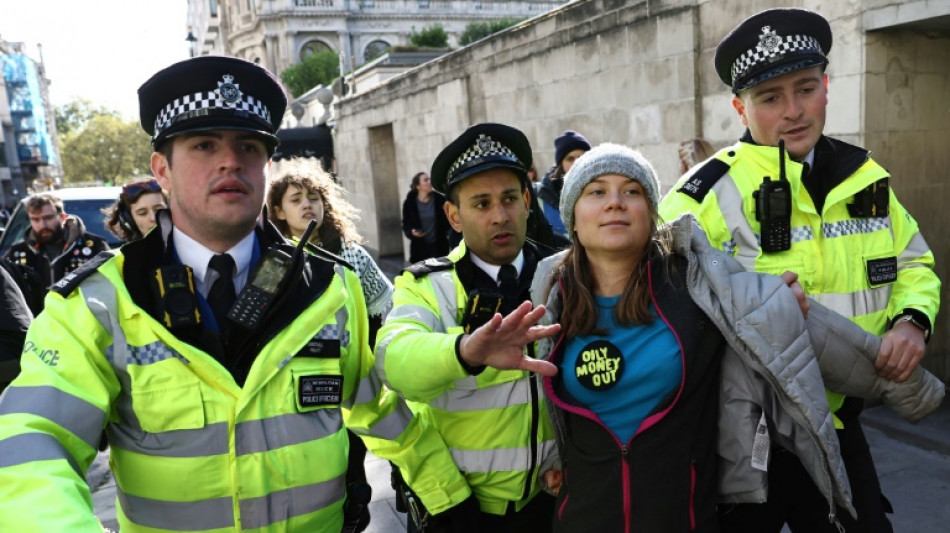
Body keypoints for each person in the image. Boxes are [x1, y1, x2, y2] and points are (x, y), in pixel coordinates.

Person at [0, 55, 473, 533]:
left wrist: (450, 500)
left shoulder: (332, 286)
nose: (230, 160)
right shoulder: (97, 303)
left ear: (267, 166)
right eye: (204, 145)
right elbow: (33, 441)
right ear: (161, 168)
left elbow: (379, 409)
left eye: (248, 146)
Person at [532, 143, 944, 532]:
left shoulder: (701, 287)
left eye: (632, 190)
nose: (615, 201)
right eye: (596, 191)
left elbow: (821, 340)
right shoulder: (548, 298)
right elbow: (538, 402)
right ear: (571, 217)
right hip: (582, 518)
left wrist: (910, 387)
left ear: (652, 213)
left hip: (685, 517)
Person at [659, 8, 941, 533]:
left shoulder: (866, 177)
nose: (793, 111)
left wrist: (911, 322)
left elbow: (914, 262)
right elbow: (659, 312)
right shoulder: (700, 197)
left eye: (806, 88)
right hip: (745, 433)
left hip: (839, 424)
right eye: (770, 98)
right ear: (741, 107)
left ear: (827, 87)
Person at [376, 123, 561, 533]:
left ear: (527, 202)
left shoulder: (563, 275)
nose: (500, 216)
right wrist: (462, 353)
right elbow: (392, 363)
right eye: (481, 204)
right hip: (460, 513)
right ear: (454, 216)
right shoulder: (426, 286)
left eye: (510, 199)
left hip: (554, 503)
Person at [267, 156, 395, 532]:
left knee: (352, 479)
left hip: (350, 385)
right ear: (277, 210)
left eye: (314, 197)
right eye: (295, 199)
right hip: (291, 393)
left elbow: (383, 315)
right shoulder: (272, 261)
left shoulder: (353, 254)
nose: (308, 204)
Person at [3, 192, 110, 288]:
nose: (43, 225)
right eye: (35, 219)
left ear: (62, 217)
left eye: (48, 218)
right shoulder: (17, 253)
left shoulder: (95, 247)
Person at [538, 130, 590, 246]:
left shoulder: (599, 191)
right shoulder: (541, 194)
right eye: (570, 159)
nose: (576, 163)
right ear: (560, 164)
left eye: (581, 157)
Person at [402, 171, 452, 263]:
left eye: (429, 179)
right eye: (426, 180)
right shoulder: (409, 203)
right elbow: (406, 224)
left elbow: (449, 221)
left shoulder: (440, 200)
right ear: (418, 186)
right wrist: (412, 232)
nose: (430, 182)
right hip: (419, 250)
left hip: (439, 248)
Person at [102, 178, 168, 242]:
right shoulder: (118, 253)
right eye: (142, 213)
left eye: (159, 209)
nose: (153, 218)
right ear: (130, 220)